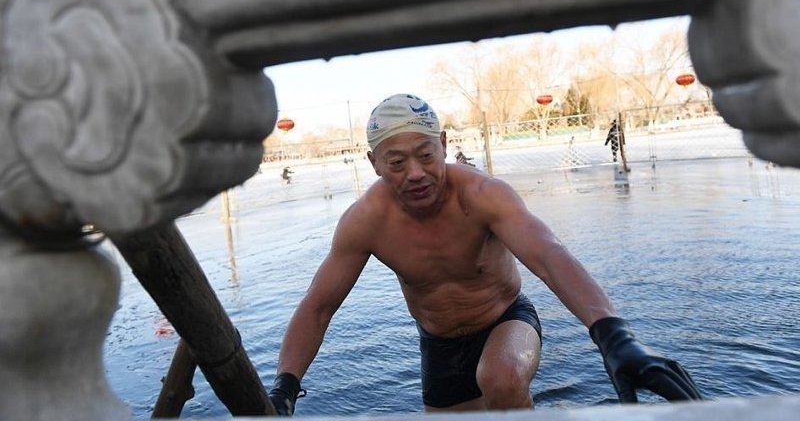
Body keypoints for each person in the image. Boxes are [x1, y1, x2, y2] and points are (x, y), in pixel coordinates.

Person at [268, 94, 702, 415]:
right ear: (374, 163)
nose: (416, 173)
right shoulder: (365, 221)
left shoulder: (482, 195)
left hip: (506, 321)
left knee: (500, 377)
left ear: (442, 143)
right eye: (397, 163)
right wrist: (285, 388)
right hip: (437, 343)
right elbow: (318, 306)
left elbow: (549, 255)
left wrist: (614, 337)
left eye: (425, 155)